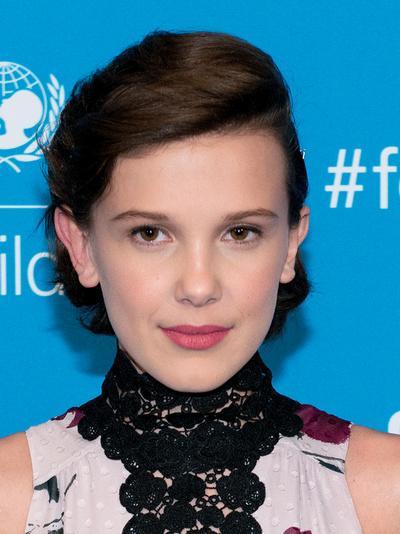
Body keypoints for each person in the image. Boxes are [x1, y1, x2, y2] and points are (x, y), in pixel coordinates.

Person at [0, 29, 399, 534]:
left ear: (290, 244)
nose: (198, 286)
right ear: (81, 246)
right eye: (150, 233)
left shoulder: (388, 494)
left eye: (240, 232)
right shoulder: (9, 499)